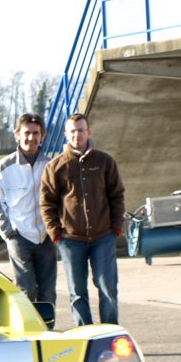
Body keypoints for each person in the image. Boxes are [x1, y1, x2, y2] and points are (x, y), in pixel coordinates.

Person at [39, 113, 125, 326]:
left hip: (103, 237)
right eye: (73, 131)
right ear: (65, 135)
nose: (77, 135)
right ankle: (85, 336)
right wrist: (56, 233)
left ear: (89, 132)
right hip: (70, 239)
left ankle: (109, 333)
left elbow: (116, 195)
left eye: (81, 130)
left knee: (108, 288)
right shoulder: (55, 166)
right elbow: (47, 203)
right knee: (77, 292)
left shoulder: (104, 161)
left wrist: (116, 227)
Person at [0, 112, 58, 326]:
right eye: (27, 133)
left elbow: (61, 199)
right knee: (26, 289)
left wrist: (56, 229)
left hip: (46, 237)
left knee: (47, 290)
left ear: (42, 136)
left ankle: (48, 333)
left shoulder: (51, 166)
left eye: (36, 133)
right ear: (17, 135)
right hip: (19, 237)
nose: (31, 138)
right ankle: (28, 331)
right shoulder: (5, 167)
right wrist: (7, 231)